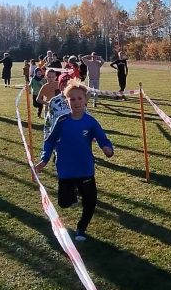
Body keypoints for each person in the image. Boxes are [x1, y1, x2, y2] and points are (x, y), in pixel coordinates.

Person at [35, 78, 114, 242]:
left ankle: (81, 229)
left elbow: (103, 139)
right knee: (64, 203)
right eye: (72, 99)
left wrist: (107, 148)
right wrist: (44, 159)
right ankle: (73, 193)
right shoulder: (61, 121)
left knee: (90, 202)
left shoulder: (90, 122)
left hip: (85, 169)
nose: (76, 102)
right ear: (66, 101)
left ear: (86, 100)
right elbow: (49, 141)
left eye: (80, 98)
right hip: (66, 170)